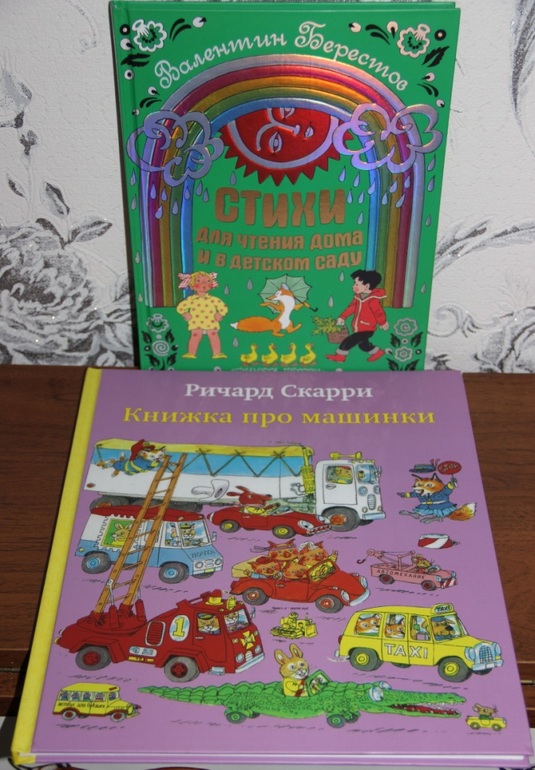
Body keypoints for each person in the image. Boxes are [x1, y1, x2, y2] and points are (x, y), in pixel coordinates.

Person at [326, 269, 388, 364]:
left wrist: (382, 322)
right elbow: (351, 308)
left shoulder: (372, 300)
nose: (353, 286)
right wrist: (342, 317)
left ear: (367, 286)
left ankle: (340, 356)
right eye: (354, 283)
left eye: (357, 284)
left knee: (348, 341)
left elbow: (378, 312)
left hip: (367, 328)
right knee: (363, 345)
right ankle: (378, 352)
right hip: (359, 327)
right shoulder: (358, 297)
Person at [176, 271, 228, 359]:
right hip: (196, 322)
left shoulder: (213, 299)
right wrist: (185, 313)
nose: (203, 284)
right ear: (192, 285)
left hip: (211, 321)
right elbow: (180, 307)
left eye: (207, 281)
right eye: (198, 281)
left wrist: (220, 314)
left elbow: (223, 307)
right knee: (195, 335)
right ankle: (191, 353)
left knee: (213, 334)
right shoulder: (191, 299)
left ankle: (217, 353)